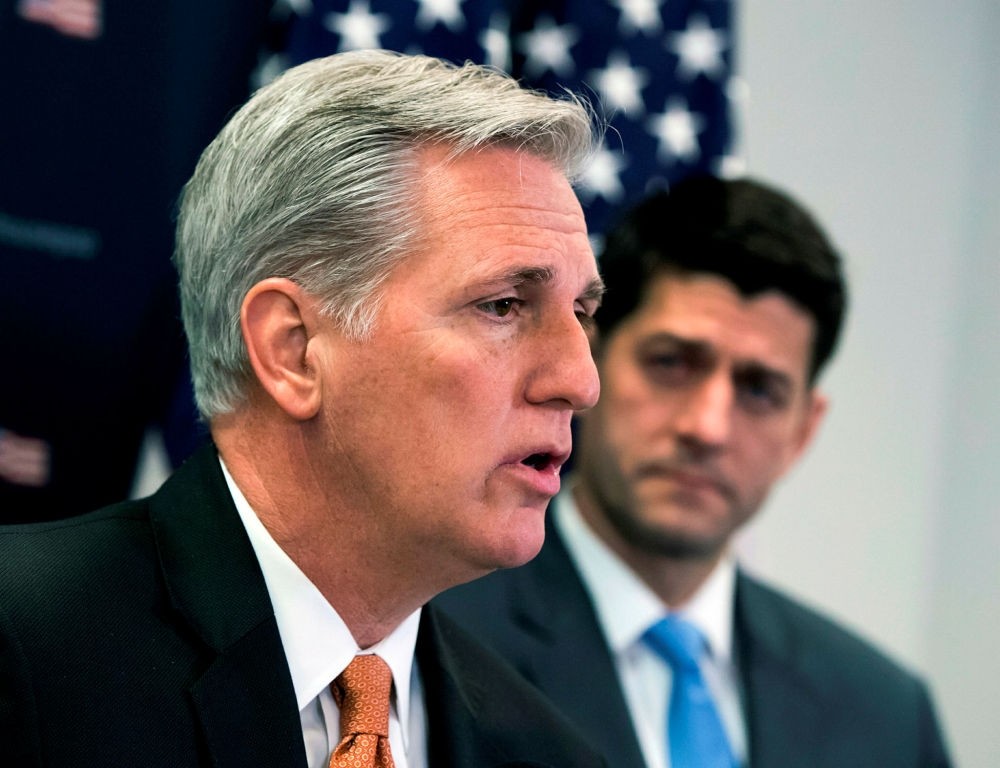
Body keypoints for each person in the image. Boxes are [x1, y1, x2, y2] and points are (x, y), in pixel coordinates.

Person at [0, 50, 609, 768]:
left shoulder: (551, 755)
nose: (581, 380)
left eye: (580, 311)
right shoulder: (22, 644)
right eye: (504, 306)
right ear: (293, 350)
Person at [436, 175, 953, 768]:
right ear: (590, 361)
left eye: (759, 390)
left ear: (803, 430)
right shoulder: (436, 635)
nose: (707, 427)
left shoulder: (886, 717)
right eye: (672, 364)